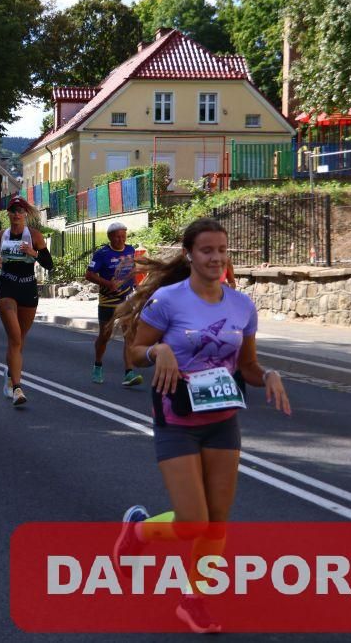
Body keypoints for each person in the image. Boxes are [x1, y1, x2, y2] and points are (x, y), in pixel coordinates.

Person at [113, 217, 291, 633]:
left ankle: (194, 599)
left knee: (217, 519)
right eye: (207, 250)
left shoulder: (242, 306)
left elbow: (247, 365)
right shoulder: (168, 301)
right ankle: (138, 532)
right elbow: (134, 352)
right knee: (193, 520)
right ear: (189, 254)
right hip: (176, 416)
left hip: (223, 418)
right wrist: (158, 351)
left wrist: (268, 375)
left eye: (222, 250)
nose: (216, 258)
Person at [0, 196, 54, 406]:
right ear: (8, 214)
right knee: (15, 337)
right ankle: (17, 388)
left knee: (19, 340)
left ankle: (10, 375)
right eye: (13, 211)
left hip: (27, 288)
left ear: (25, 214)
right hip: (7, 286)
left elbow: (49, 264)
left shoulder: (34, 236)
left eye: (20, 211)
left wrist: (33, 253)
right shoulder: (0, 236)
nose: (16, 214)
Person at [86, 222, 142, 387]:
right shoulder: (102, 254)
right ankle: (98, 365)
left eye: (123, 236)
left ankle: (129, 373)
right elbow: (89, 274)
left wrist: (137, 286)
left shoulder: (130, 250)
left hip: (126, 298)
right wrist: (108, 284)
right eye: (117, 236)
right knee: (105, 336)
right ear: (110, 237)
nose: (121, 239)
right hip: (108, 300)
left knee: (129, 334)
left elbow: (132, 270)